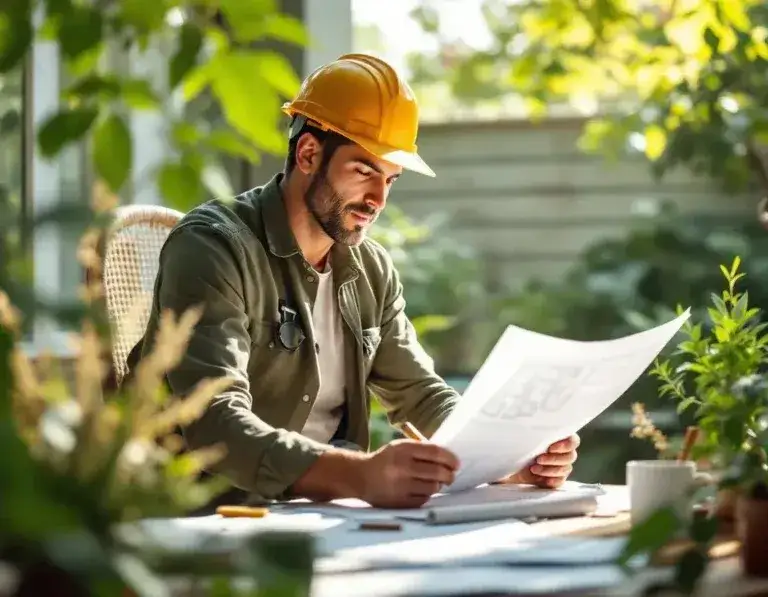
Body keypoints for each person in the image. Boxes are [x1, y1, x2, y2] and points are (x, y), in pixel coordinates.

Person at [126, 53, 580, 510]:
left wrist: (506, 458)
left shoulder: (370, 269)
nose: (378, 199)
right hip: (202, 521)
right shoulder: (213, 247)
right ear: (308, 154)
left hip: (324, 520)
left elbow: (421, 394)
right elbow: (214, 419)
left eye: (391, 179)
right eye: (364, 171)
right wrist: (359, 475)